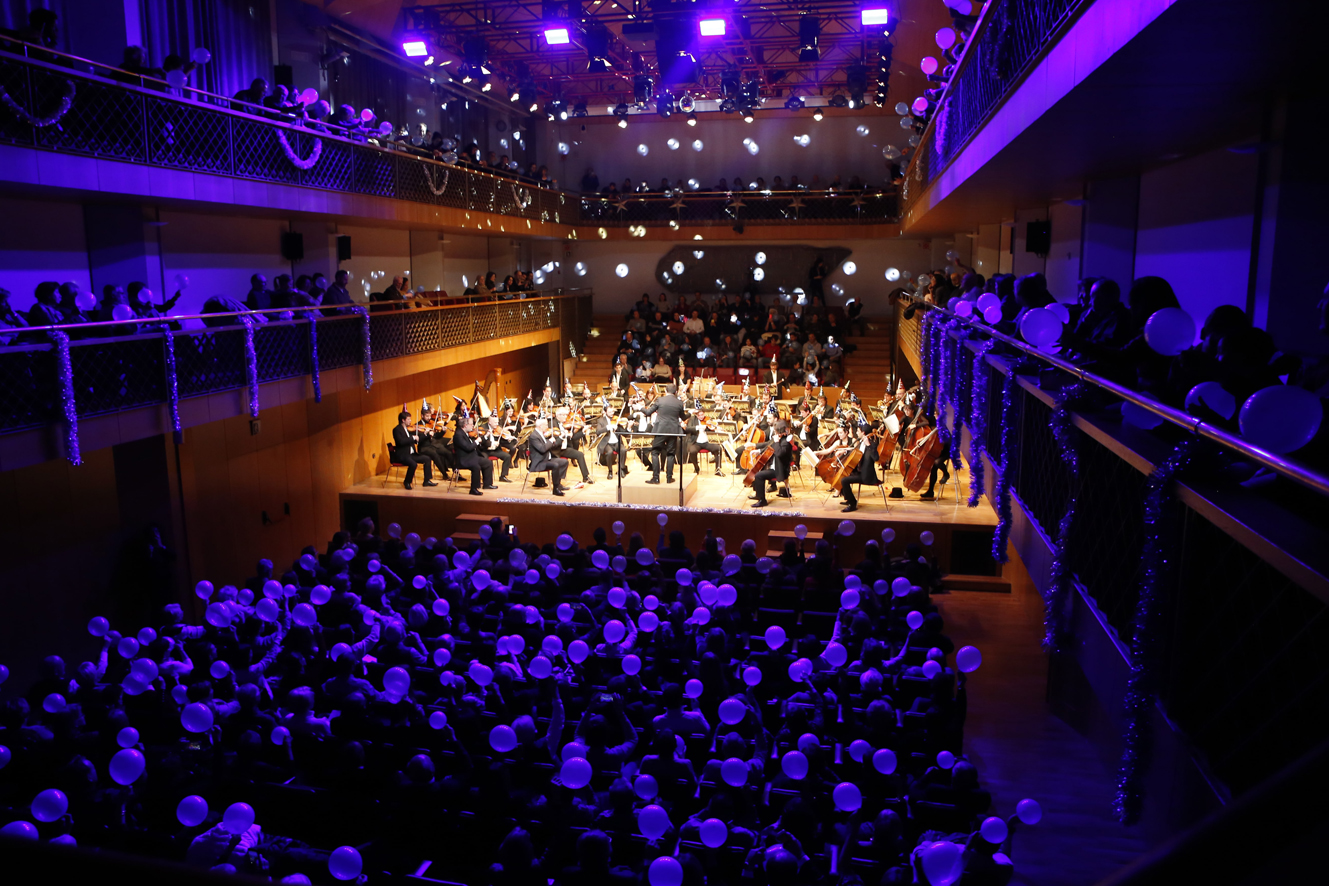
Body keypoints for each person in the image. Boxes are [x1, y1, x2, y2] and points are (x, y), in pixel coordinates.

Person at [644, 383, 685, 484]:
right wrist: (692, 413)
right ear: (675, 392)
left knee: (655, 452)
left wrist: (639, 407)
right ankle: (669, 478)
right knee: (670, 454)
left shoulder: (660, 400)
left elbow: (648, 412)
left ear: (666, 391)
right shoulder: (679, 402)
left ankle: (656, 478)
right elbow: (683, 417)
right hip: (673, 431)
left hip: (661, 430)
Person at [750, 420, 793, 507]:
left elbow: (779, 453)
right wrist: (758, 451)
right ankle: (758, 494)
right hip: (773, 466)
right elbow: (769, 445)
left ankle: (762, 500)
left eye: (776, 430)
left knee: (759, 475)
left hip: (780, 470)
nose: (775, 432)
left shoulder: (786, 442)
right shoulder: (779, 439)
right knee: (757, 469)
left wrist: (777, 442)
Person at [391, 410, 435, 490]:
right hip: (403, 455)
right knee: (413, 464)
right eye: (408, 419)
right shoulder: (397, 430)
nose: (410, 421)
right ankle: (407, 482)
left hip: (411, 454)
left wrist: (426, 435)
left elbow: (416, 440)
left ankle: (426, 480)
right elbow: (400, 442)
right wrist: (412, 438)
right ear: (403, 420)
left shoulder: (408, 429)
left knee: (427, 458)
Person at [452, 416, 495, 495]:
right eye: (471, 424)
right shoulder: (458, 435)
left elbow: (475, 444)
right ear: (465, 425)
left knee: (487, 462)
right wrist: (476, 442)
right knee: (476, 466)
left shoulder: (465, 433)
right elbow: (468, 447)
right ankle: (474, 489)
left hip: (471, 456)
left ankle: (487, 484)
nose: (473, 426)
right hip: (463, 459)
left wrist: (486, 436)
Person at [527, 418, 569, 495]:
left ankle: (558, 484)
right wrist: (550, 441)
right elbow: (542, 449)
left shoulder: (542, 433)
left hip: (546, 458)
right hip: (539, 462)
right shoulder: (534, 436)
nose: (547, 426)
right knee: (555, 465)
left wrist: (560, 437)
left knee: (564, 462)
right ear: (540, 426)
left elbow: (551, 446)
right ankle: (555, 489)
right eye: (546, 424)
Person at [480, 413, 515, 482]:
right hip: (485, 450)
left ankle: (503, 476)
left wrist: (507, 439)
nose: (497, 424)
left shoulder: (497, 429)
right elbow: (482, 441)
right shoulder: (483, 428)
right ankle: (486, 479)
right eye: (495, 422)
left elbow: (501, 440)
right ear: (489, 422)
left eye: (497, 422)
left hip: (494, 450)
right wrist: (492, 443)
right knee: (485, 461)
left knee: (507, 456)